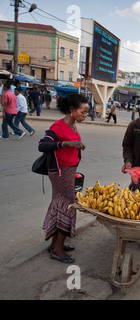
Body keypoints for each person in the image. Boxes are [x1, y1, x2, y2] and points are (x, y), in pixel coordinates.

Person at [38, 93, 89, 263]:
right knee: (67, 206)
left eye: (86, 112)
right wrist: (66, 144)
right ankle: (57, 249)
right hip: (60, 172)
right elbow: (42, 145)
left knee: (61, 205)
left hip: (69, 171)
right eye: (83, 112)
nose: (85, 115)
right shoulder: (58, 126)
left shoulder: (73, 124)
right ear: (72, 110)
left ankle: (55, 244)